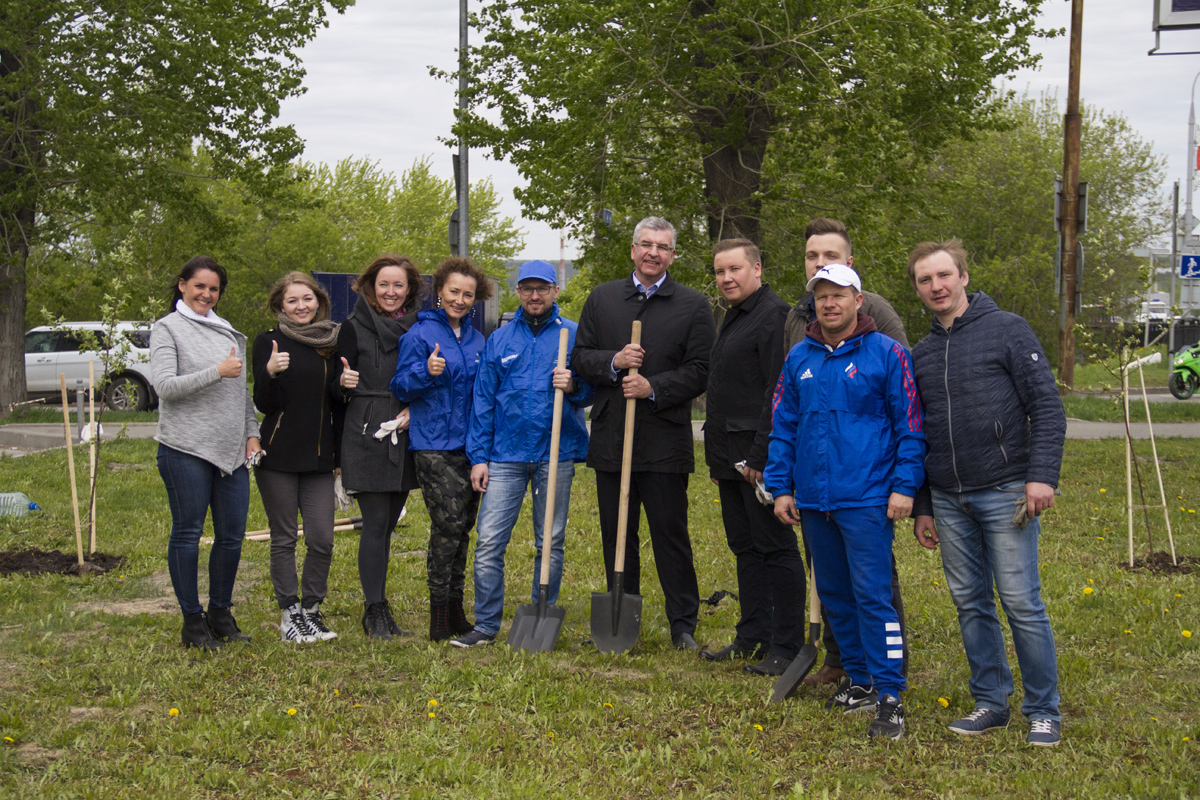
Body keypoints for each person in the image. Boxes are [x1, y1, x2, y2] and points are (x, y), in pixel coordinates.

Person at [908, 239, 1066, 747]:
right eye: (925, 280)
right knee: (971, 602)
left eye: (943, 276)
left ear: (964, 276)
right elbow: (922, 435)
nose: (936, 286)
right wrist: (926, 506)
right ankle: (991, 702)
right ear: (917, 289)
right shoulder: (923, 353)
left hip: (1006, 490)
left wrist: (1041, 476)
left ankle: (1043, 710)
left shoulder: (1008, 330)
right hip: (951, 499)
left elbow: (1046, 406)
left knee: (1021, 602)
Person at [765, 263, 924, 741]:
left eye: (839, 295)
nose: (829, 303)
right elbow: (784, 426)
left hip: (868, 498)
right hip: (814, 500)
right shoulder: (799, 358)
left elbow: (910, 426)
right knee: (833, 594)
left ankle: (890, 692)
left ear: (859, 300)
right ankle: (858, 679)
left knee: (874, 596)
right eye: (821, 296)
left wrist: (905, 486)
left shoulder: (888, 354)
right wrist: (782, 486)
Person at [571, 216, 715, 651]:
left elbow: (702, 370)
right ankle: (622, 610)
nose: (654, 252)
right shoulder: (603, 298)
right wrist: (614, 362)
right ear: (633, 250)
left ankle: (682, 623)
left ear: (673, 255)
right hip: (615, 435)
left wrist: (655, 387)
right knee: (618, 532)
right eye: (646, 244)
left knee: (670, 532)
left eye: (664, 247)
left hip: (664, 439)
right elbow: (581, 357)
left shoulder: (692, 305)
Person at [454, 260, 595, 647]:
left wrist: (574, 387)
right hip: (505, 455)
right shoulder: (500, 339)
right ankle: (486, 624)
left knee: (549, 541)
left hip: (555, 452)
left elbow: (591, 391)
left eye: (543, 288)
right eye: (528, 288)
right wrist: (479, 457)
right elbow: (482, 401)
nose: (535, 295)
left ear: (555, 291)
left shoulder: (574, 335)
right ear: (518, 292)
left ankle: (540, 614)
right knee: (488, 542)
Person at [700, 239, 805, 676]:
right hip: (729, 457)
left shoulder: (772, 317)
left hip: (758, 459)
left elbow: (777, 396)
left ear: (757, 269)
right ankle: (752, 635)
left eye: (735, 270)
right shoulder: (734, 317)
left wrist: (762, 456)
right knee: (744, 546)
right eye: (720, 271)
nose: (727, 278)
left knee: (775, 547)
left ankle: (786, 644)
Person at [150, 256, 261, 651]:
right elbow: (164, 386)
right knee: (188, 533)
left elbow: (241, 392)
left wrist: (252, 433)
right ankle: (192, 620)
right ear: (182, 285)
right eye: (200, 286)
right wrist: (215, 371)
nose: (207, 295)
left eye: (214, 289)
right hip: (186, 448)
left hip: (232, 451)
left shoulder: (226, 330)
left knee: (231, 538)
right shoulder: (168, 329)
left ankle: (220, 613)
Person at [391, 256, 491, 642]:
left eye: (468, 295)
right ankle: (437, 611)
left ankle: (454, 607)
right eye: (454, 292)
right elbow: (400, 387)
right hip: (433, 445)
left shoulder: (478, 339)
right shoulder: (419, 335)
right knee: (447, 525)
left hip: (470, 446)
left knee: (464, 528)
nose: (461, 300)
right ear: (439, 292)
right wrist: (425, 373)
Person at [336, 254, 422, 640]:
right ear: (370, 287)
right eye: (383, 284)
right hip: (367, 430)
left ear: (409, 290)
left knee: (388, 524)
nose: (390, 292)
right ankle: (374, 610)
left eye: (398, 285)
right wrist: (342, 383)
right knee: (374, 523)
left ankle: (380, 606)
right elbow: (333, 387)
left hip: (405, 428)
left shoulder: (419, 327)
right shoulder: (351, 328)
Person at [252, 272, 341, 643]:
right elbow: (264, 404)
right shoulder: (269, 342)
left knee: (322, 538)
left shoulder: (330, 342)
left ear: (318, 301)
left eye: (307, 299)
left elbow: (336, 401)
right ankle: (290, 613)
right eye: (292, 301)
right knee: (284, 537)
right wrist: (268, 374)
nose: (301, 306)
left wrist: (345, 387)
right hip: (279, 456)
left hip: (321, 457)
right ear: (280, 306)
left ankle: (312, 610)